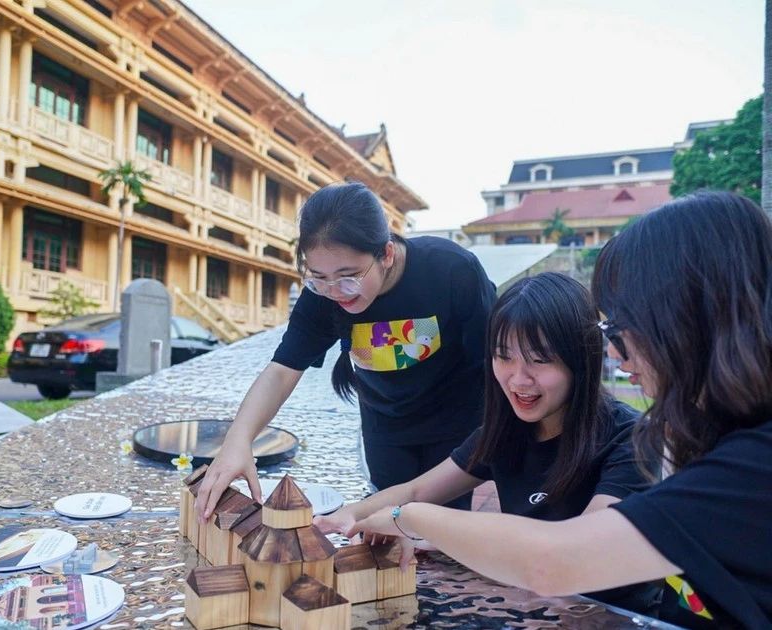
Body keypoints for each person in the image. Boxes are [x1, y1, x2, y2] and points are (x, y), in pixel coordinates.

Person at [349, 191, 772, 629]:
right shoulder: (718, 442)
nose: (620, 356)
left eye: (622, 330)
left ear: (688, 323)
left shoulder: (750, 463)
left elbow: (555, 562)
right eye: (503, 356)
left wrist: (411, 519)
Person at [316, 272, 659, 613]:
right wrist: (347, 517)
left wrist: (413, 520)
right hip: (533, 606)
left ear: (581, 359)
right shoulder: (507, 430)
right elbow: (417, 491)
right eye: (503, 356)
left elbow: (575, 556)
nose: (518, 379)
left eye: (539, 360)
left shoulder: (629, 438)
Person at [195, 182, 496, 520]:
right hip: (386, 427)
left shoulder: (451, 271)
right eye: (319, 277)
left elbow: (493, 363)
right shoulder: (323, 295)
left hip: (455, 424)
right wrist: (238, 440)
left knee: (440, 528)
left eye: (349, 276)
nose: (336, 291)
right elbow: (282, 370)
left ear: (386, 253)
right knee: (388, 525)